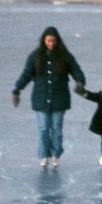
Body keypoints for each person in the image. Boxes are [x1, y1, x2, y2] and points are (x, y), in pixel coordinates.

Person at [13, 26, 86, 167]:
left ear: (57, 41)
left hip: (60, 98)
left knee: (57, 129)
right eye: (48, 41)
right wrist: (17, 89)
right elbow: (26, 74)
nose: (51, 44)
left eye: (53, 41)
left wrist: (80, 81)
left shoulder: (65, 56)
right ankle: (44, 155)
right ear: (43, 40)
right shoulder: (35, 56)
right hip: (41, 98)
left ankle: (55, 154)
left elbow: (76, 70)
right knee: (44, 128)